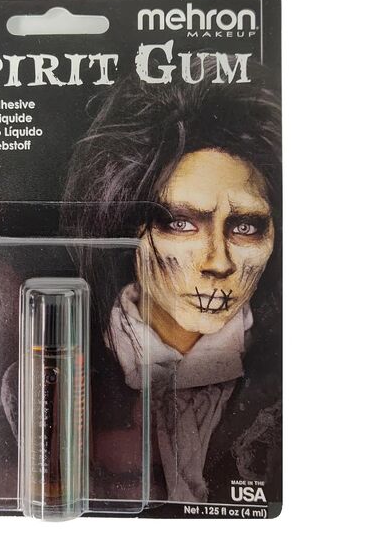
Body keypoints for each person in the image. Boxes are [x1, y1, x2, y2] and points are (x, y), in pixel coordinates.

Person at [62, 53, 282, 504]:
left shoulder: (292, 379)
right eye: (181, 223)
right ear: (129, 228)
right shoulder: (55, 379)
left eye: (245, 227)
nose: (218, 262)